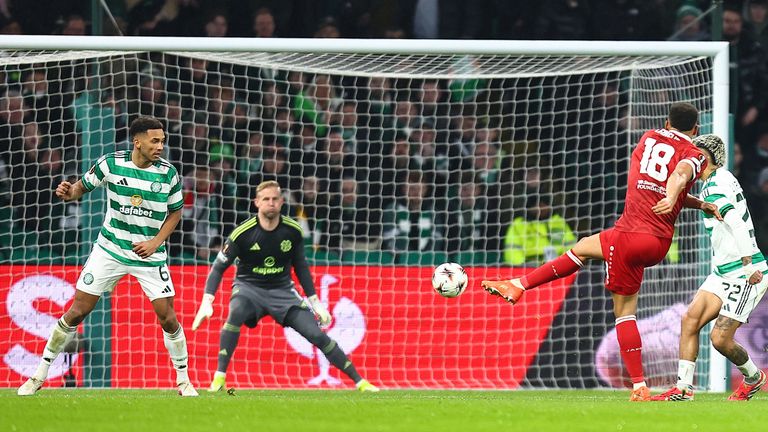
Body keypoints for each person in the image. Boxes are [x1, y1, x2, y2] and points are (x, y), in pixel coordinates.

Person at [482, 102, 720, 401]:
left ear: (666, 122)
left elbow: (678, 177)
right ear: (695, 129)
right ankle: (518, 285)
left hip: (630, 236)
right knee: (583, 247)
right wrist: (699, 203)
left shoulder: (649, 138)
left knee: (624, 313)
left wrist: (672, 195)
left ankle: (639, 386)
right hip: (657, 243)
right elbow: (679, 177)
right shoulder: (696, 153)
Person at [17, 116, 197, 396]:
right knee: (77, 312)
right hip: (110, 249)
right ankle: (38, 375)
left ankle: (184, 382)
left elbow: (175, 212)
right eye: (155, 141)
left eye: (162, 141)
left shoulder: (168, 173)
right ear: (137, 142)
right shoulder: (110, 164)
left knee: (168, 318)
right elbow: (81, 187)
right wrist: (69, 192)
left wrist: (155, 242)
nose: (160, 146)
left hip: (149, 255)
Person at [191, 180, 378, 392]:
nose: (270, 203)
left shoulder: (292, 230)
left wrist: (316, 303)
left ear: (281, 202)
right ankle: (219, 378)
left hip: (283, 292)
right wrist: (207, 301)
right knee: (236, 312)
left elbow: (301, 267)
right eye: (266, 199)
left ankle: (360, 382)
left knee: (317, 335)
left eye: (274, 199)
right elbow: (218, 268)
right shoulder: (242, 233)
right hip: (249, 288)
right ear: (257, 202)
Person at [652, 134, 768, 401]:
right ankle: (683, 389)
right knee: (689, 320)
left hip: (744, 273)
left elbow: (736, 223)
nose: (691, 159)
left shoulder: (715, 185)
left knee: (720, 339)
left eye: (695, 155)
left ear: (706, 158)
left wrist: (748, 265)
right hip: (722, 272)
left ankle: (754, 378)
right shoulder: (719, 180)